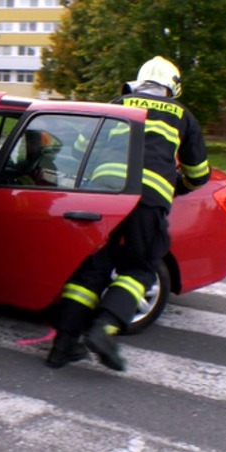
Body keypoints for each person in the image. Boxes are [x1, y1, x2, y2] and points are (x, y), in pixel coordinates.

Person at [46, 56, 210, 371]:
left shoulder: (117, 104)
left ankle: (63, 345)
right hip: (148, 199)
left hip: (105, 195)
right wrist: (178, 186)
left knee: (91, 269)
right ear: (172, 87)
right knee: (140, 266)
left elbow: (81, 149)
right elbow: (198, 173)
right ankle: (104, 329)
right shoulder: (182, 116)